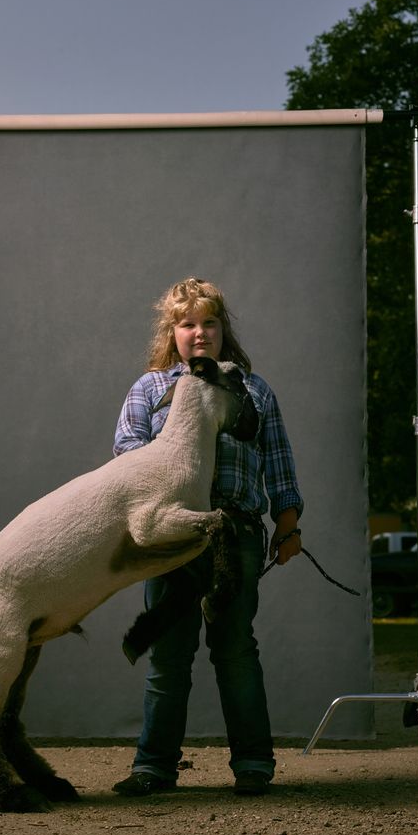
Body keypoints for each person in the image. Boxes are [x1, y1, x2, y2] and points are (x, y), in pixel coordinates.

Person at [112, 277, 303, 797]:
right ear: (172, 332)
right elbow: (127, 458)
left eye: (210, 323)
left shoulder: (253, 389)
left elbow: (279, 463)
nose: (200, 333)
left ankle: (254, 766)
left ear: (223, 329)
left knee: (236, 649)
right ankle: (153, 767)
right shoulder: (149, 389)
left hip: (236, 532)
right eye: (188, 324)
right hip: (172, 536)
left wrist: (288, 527)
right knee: (168, 656)